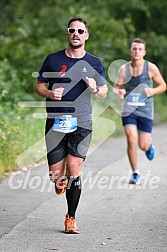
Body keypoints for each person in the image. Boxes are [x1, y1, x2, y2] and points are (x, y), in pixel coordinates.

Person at [35, 17, 108, 233]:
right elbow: (38, 85)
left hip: (82, 121)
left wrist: (95, 88)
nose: (76, 33)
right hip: (56, 121)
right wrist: (48, 92)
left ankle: (71, 218)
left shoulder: (94, 62)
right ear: (67, 34)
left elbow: (104, 92)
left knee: (74, 169)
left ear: (86, 35)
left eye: (80, 30)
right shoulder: (53, 59)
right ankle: (60, 180)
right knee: (56, 176)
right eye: (72, 30)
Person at [114, 38, 166, 184]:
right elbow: (116, 87)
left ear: (144, 52)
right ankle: (135, 173)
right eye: (134, 49)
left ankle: (149, 146)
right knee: (131, 139)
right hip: (129, 109)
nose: (136, 51)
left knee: (142, 145)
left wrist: (153, 90)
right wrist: (118, 92)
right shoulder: (124, 69)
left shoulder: (151, 68)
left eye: (139, 49)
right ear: (130, 51)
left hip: (146, 110)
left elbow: (163, 85)